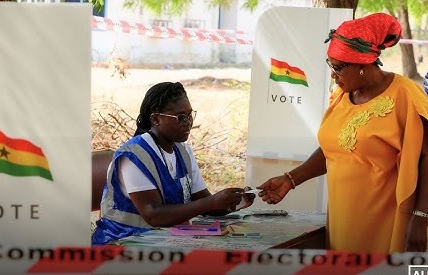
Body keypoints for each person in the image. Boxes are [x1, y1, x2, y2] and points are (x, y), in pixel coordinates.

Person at [258, 13, 428, 253]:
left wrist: (421, 217)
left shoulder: (405, 96)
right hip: (344, 220)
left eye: (338, 68)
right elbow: (335, 148)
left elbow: (426, 157)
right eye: (331, 66)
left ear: (362, 64)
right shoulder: (342, 95)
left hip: (385, 221)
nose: (333, 75)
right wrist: (291, 179)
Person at [92, 82, 255, 245]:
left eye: (190, 115)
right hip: (122, 241)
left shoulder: (184, 152)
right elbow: (153, 215)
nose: (188, 122)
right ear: (156, 119)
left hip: (164, 240)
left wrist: (236, 201)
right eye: (180, 117)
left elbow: (205, 203)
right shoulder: (134, 155)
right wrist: (211, 202)